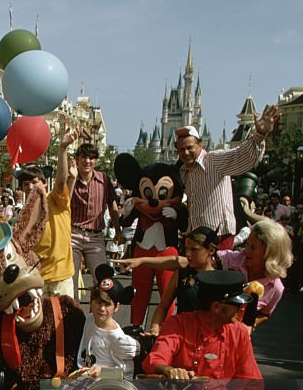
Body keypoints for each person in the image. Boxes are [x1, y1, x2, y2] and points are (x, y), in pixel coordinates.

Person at [175, 105, 278, 249]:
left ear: (200, 144)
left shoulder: (213, 160)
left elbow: (241, 155)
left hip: (218, 236)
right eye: (181, 149)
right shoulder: (185, 171)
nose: (185, 152)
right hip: (196, 236)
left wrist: (260, 134)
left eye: (190, 147)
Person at [115, 226, 222, 337]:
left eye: (194, 249)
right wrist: (155, 328)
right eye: (186, 249)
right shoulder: (182, 273)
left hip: (209, 338)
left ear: (211, 250)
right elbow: (162, 306)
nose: (188, 254)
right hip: (182, 334)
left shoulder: (221, 280)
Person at [215, 219, 292, 327]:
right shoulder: (228, 260)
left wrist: (250, 325)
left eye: (253, 247)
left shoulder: (276, 288)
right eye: (247, 244)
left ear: (269, 254)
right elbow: (205, 260)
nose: (246, 251)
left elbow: (265, 314)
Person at [68, 140, 119, 299]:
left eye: (91, 158)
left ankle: (96, 315)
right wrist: (71, 178)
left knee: (102, 280)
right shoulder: (71, 179)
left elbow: (113, 205)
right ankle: (73, 317)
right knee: (71, 280)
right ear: (77, 159)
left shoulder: (104, 179)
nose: (87, 161)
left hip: (95, 235)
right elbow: (63, 202)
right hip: (73, 234)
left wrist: (118, 230)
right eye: (83, 157)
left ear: (96, 160)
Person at [77, 264, 140, 378]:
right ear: (91, 302)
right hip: (82, 380)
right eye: (98, 302)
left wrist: (102, 372)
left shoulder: (117, 338)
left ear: (116, 307)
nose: (101, 309)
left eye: (107, 304)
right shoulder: (90, 319)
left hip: (104, 388)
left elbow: (125, 374)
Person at [26, 158, 74, 297]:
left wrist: (62, 148)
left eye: (34, 182)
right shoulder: (24, 213)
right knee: (41, 319)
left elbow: (60, 182)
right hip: (37, 279)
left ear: (45, 183)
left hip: (60, 276)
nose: (30, 187)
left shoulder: (55, 200)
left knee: (63, 318)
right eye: (25, 184)